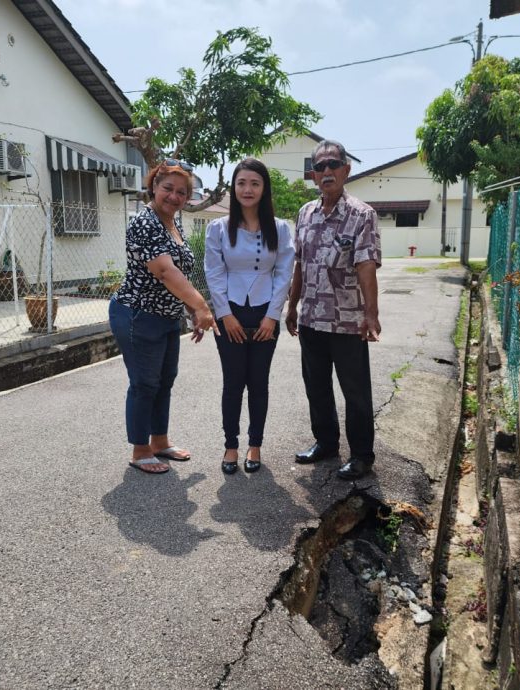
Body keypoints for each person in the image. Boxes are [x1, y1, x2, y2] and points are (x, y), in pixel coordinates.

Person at [108, 158, 220, 474]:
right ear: (154, 187)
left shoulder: (174, 221)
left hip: (167, 316)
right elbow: (166, 271)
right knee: (144, 383)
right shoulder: (144, 223)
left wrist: (189, 310)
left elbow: (179, 274)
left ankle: (160, 442)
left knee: (165, 381)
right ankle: (140, 450)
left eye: (182, 192)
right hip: (137, 314)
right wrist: (201, 307)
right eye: (168, 189)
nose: (174, 196)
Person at [285, 140, 382, 480]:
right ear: (313, 175)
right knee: (317, 386)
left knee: (355, 391)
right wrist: (292, 306)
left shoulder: (361, 215)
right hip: (311, 318)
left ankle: (361, 455)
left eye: (332, 165)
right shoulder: (305, 213)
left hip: (347, 322)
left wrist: (371, 313)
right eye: (320, 166)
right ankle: (325, 442)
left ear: (346, 170)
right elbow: (300, 263)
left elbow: (367, 265)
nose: (326, 171)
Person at [204, 158, 295, 475]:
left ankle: (255, 444)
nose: (247, 189)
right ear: (234, 187)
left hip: (265, 312)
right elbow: (213, 274)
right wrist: (224, 314)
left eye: (255, 183)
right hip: (230, 312)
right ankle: (231, 445)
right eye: (241, 183)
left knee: (258, 383)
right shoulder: (218, 228)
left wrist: (273, 317)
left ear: (264, 188)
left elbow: (284, 273)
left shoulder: (281, 229)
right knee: (233, 384)